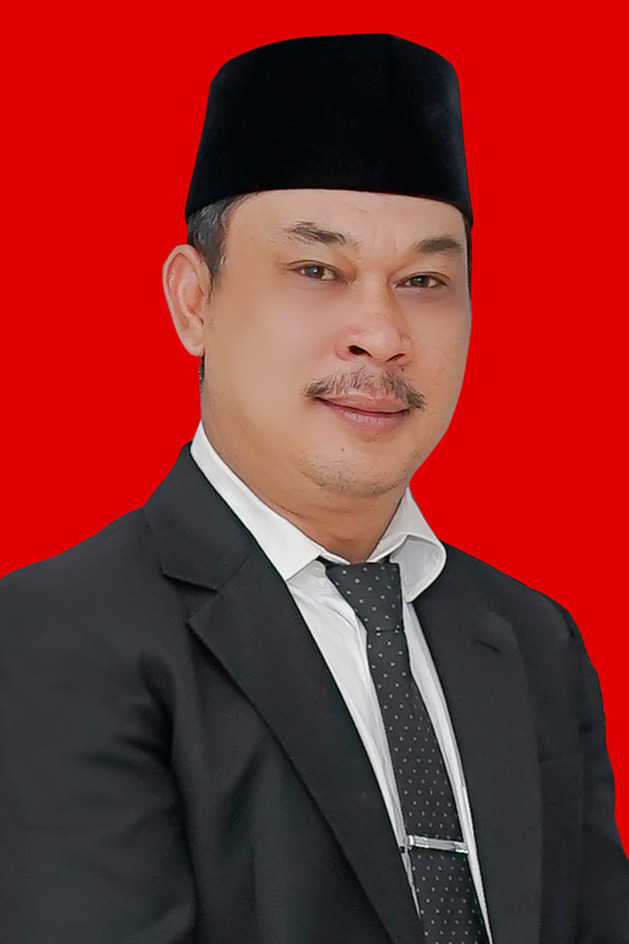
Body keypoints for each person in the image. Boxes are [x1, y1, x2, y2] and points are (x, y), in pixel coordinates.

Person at [0, 33, 626, 944]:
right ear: (194, 301)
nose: (382, 333)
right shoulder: (53, 635)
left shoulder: (532, 640)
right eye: (316, 271)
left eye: (424, 280)